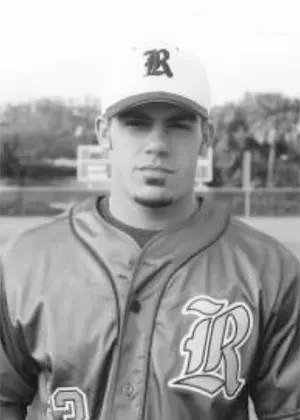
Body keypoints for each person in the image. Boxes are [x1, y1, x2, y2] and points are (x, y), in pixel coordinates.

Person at [1, 44, 300, 420]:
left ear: (206, 136)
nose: (157, 145)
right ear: (103, 133)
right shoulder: (28, 261)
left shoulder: (269, 269)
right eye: (136, 123)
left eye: (177, 125)